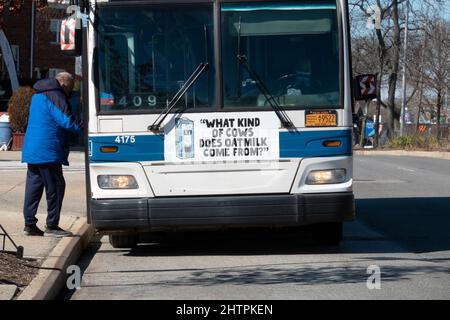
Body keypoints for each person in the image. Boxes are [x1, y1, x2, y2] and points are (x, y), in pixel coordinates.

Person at [21, 72, 83, 237]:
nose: (68, 93)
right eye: (69, 89)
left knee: (33, 188)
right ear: (63, 84)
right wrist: (84, 125)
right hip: (47, 150)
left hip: (33, 149)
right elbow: (66, 120)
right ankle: (52, 225)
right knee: (56, 186)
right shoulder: (56, 95)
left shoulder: (38, 95)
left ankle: (29, 224)